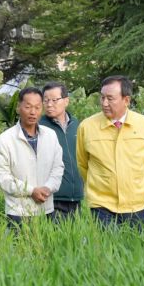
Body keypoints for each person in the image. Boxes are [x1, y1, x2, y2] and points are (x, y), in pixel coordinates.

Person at [76, 75, 144, 229]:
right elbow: (83, 164)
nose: (104, 103)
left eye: (110, 98)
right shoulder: (87, 127)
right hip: (101, 205)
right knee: (106, 251)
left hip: (136, 204)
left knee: (136, 251)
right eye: (102, 97)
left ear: (126, 100)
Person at [0, 87, 64, 227]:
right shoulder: (5, 140)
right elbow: (2, 176)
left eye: (37, 107)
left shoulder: (50, 136)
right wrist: (31, 191)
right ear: (19, 107)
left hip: (46, 209)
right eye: (28, 107)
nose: (33, 112)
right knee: (18, 248)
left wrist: (48, 188)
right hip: (18, 212)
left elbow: (58, 167)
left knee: (46, 247)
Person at [39, 82, 83, 219]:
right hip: (51, 197)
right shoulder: (39, 127)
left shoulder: (78, 125)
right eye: (45, 100)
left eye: (54, 100)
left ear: (66, 101)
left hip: (75, 197)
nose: (49, 104)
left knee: (74, 238)